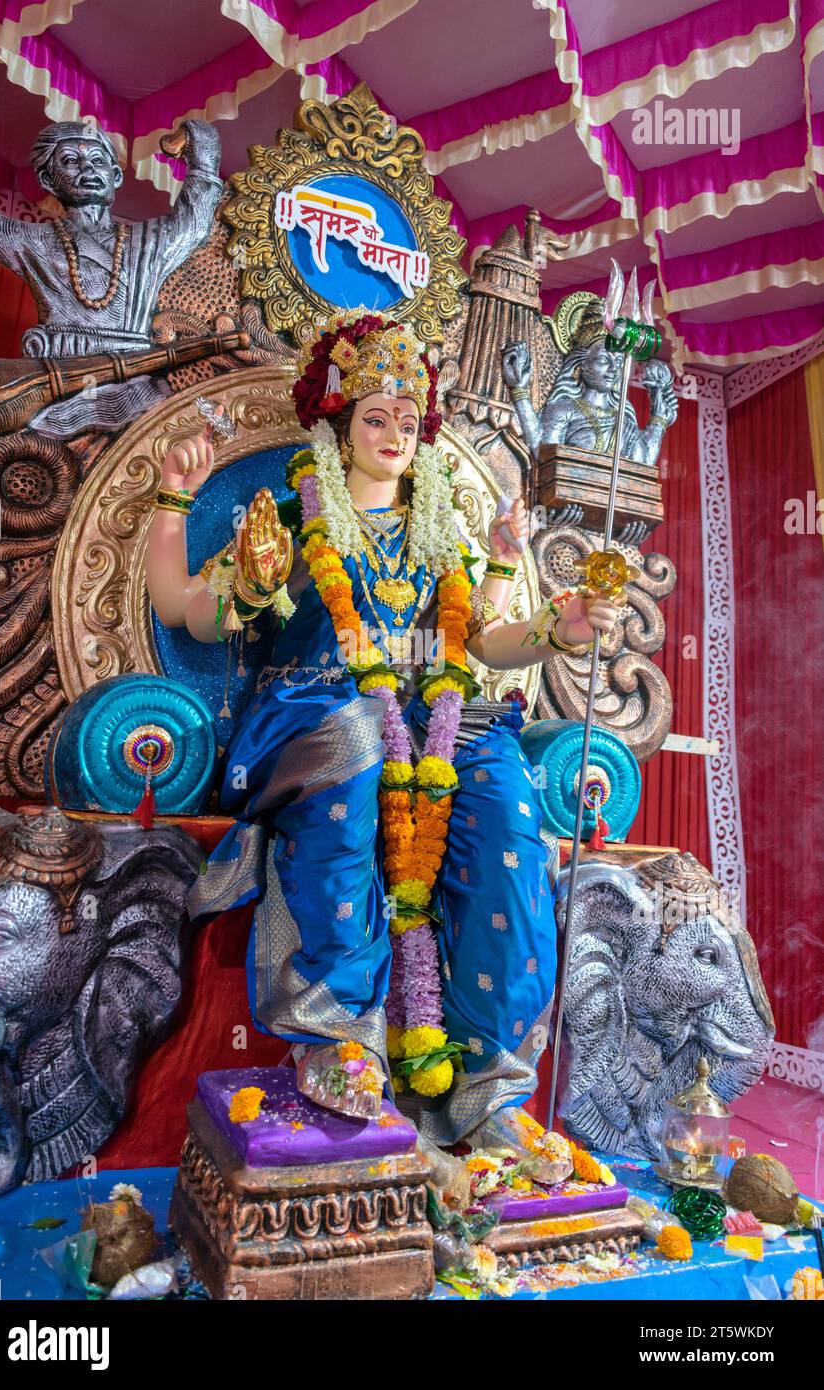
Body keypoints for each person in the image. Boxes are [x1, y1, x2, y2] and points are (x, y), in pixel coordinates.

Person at [147, 310, 620, 1149]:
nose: (395, 433)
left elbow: (487, 638)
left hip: (438, 715)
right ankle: (340, 1039)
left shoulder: (445, 531)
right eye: (376, 415)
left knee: (506, 798)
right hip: (314, 708)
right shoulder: (295, 517)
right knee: (362, 742)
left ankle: (488, 1082)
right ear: (338, 417)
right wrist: (181, 508)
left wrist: (564, 628)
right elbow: (186, 612)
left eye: (409, 419)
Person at [0, 119, 222, 433]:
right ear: (48, 180)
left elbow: (194, 223)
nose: (87, 169)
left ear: (115, 176)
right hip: (55, 384)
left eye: (98, 161)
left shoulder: (151, 239)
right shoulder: (32, 241)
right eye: (70, 161)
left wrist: (201, 149)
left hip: (138, 387)